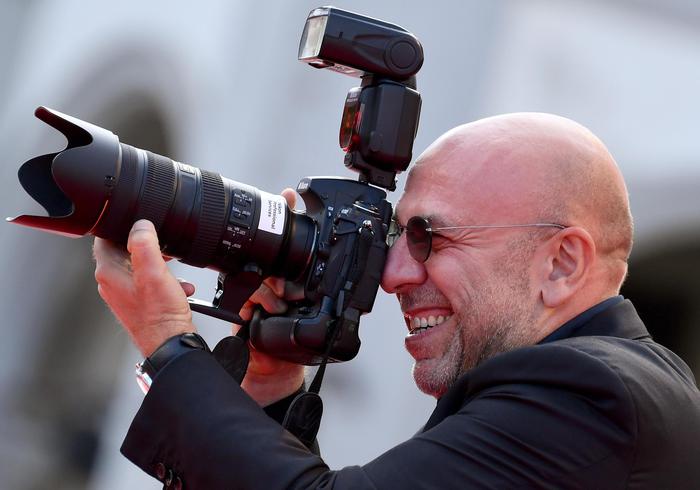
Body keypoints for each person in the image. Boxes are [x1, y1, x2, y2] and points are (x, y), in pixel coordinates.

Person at [93, 113, 700, 489]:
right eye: (394, 236)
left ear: (562, 263)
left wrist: (170, 344)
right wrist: (271, 391)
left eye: (428, 237)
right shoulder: (603, 387)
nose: (393, 276)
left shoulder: (589, 395)